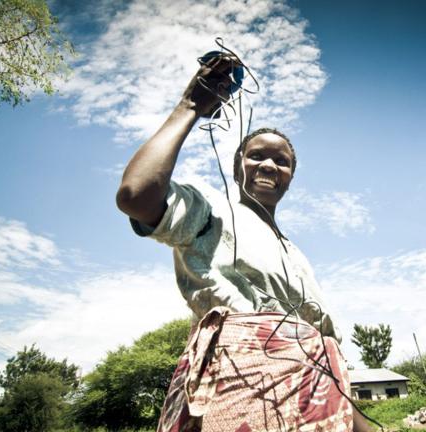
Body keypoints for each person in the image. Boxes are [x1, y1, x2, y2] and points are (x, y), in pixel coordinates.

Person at [117, 55, 373, 432]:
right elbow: (136, 195)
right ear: (238, 168)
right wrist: (191, 106)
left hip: (315, 394)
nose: (269, 166)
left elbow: (326, 353)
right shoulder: (212, 210)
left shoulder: (295, 253)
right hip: (238, 383)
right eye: (256, 156)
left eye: (281, 162)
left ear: (290, 178)